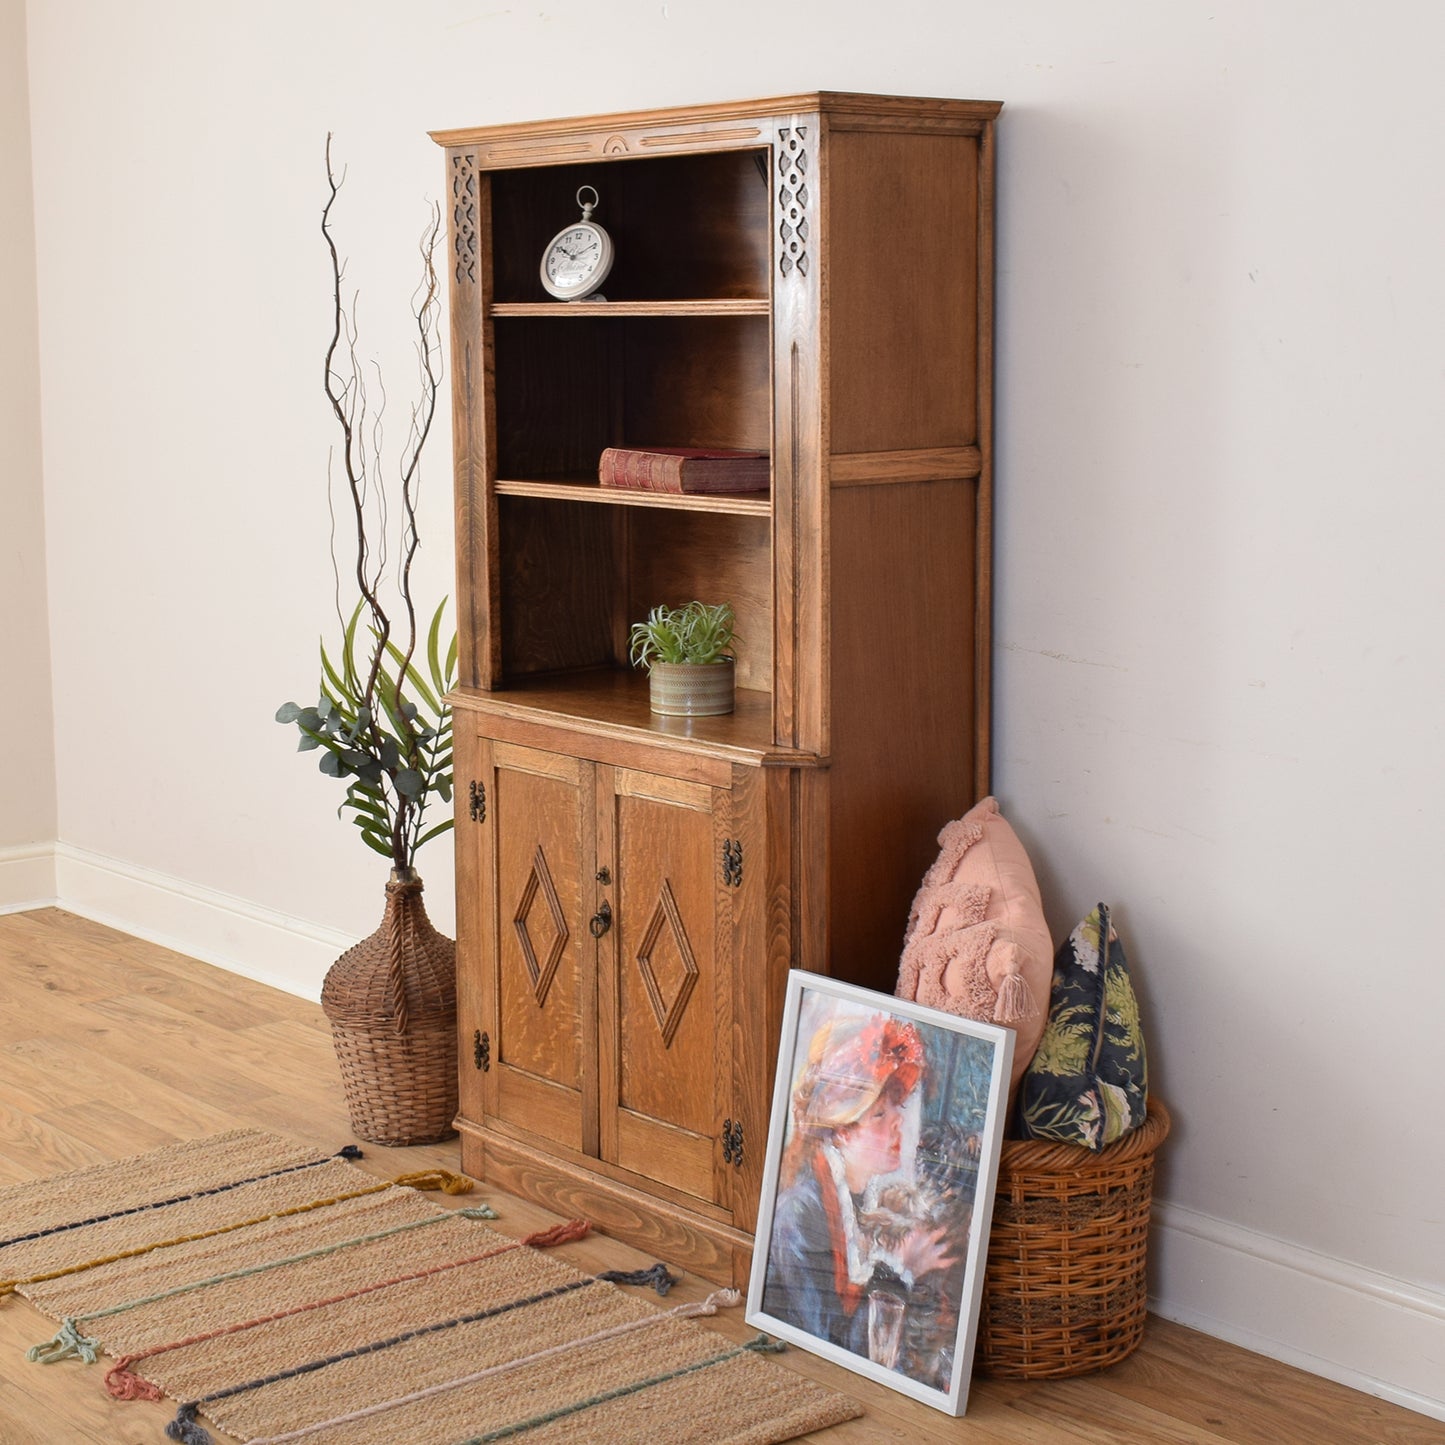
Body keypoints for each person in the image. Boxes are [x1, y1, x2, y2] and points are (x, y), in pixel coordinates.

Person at [761, 1009, 956, 1364]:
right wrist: (902, 1268)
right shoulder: (798, 1214)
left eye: (896, 1106)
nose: (898, 1120)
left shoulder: (868, 1204)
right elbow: (831, 1344)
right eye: (879, 1114)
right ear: (841, 1130)